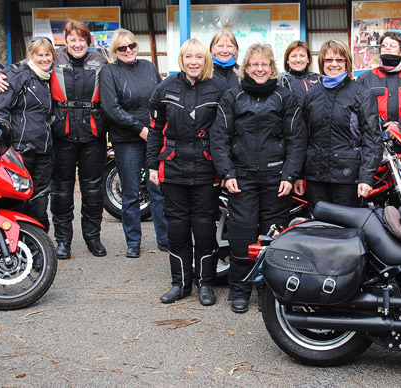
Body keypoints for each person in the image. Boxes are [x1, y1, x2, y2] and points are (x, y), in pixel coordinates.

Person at [0, 20, 109, 259]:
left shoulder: (100, 61)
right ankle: (63, 241)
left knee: (92, 190)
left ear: (88, 41)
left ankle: (93, 238)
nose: (77, 44)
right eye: (72, 40)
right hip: (62, 134)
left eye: (81, 40)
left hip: (92, 134)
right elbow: (23, 67)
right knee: (61, 191)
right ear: (65, 42)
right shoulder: (54, 60)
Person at [211, 43, 307, 313]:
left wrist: (290, 174)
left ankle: (269, 291)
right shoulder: (232, 96)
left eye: (265, 64)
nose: (260, 69)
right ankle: (240, 290)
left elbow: (297, 139)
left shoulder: (284, 97)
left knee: (273, 235)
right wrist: (227, 172)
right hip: (241, 177)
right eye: (254, 64)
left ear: (272, 67)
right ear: (246, 67)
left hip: (276, 178)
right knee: (242, 234)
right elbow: (219, 137)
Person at [148, 39, 227, 306]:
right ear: (182, 59)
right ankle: (179, 283)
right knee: (178, 229)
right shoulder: (165, 88)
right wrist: (151, 165)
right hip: (173, 166)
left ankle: (206, 284)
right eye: (188, 57)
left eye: (199, 57)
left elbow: (226, 132)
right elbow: (155, 130)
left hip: (206, 168)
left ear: (206, 60)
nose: (194, 62)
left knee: (204, 228)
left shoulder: (218, 89)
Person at [99, 29, 168, 259]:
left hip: (152, 136)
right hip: (127, 139)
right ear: (115, 51)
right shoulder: (109, 72)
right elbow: (110, 107)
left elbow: (160, 98)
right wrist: (140, 129)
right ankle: (133, 242)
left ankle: (165, 239)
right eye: (122, 48)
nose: (128, 50)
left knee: (158, 189)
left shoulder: (148, 67)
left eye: (131, 46)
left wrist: (157, 129)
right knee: (130, 193)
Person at [296, 39, 382, 212]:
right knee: (320, 230)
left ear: (347, 63)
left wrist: (366, 178)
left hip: (348, 178)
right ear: (321, 63)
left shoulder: (362, 94)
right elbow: (303, 138)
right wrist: (299, 175)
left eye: (339, 60)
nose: (333, 64)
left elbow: (372, 139)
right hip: (317, 178)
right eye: (328, 60)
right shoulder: (312, 95)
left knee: (347, 232)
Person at [0, 37, 56, 232]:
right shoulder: (16, 76)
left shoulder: (50, 78)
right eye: (39, 55)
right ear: (31, 55)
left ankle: (38, 246)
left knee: (40, 201)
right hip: (21, 150)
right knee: (20, 200)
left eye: (47, 54)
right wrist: (7, 145)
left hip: (44, 150)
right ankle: (17, 246)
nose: (44, 59)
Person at [356, 31, 401, 133]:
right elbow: (359, 109)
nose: (387, 48)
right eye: (384, 45)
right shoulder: (364, 79)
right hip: (374, 137)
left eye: (392, 45)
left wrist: (400, 124)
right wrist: (381, 123)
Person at [280, 41, 320, 105]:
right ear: (287, 60)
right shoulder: (283, 82)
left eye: (302, 56)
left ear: (308, 59)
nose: (298, 60)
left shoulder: (318, 78)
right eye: (293, 56)